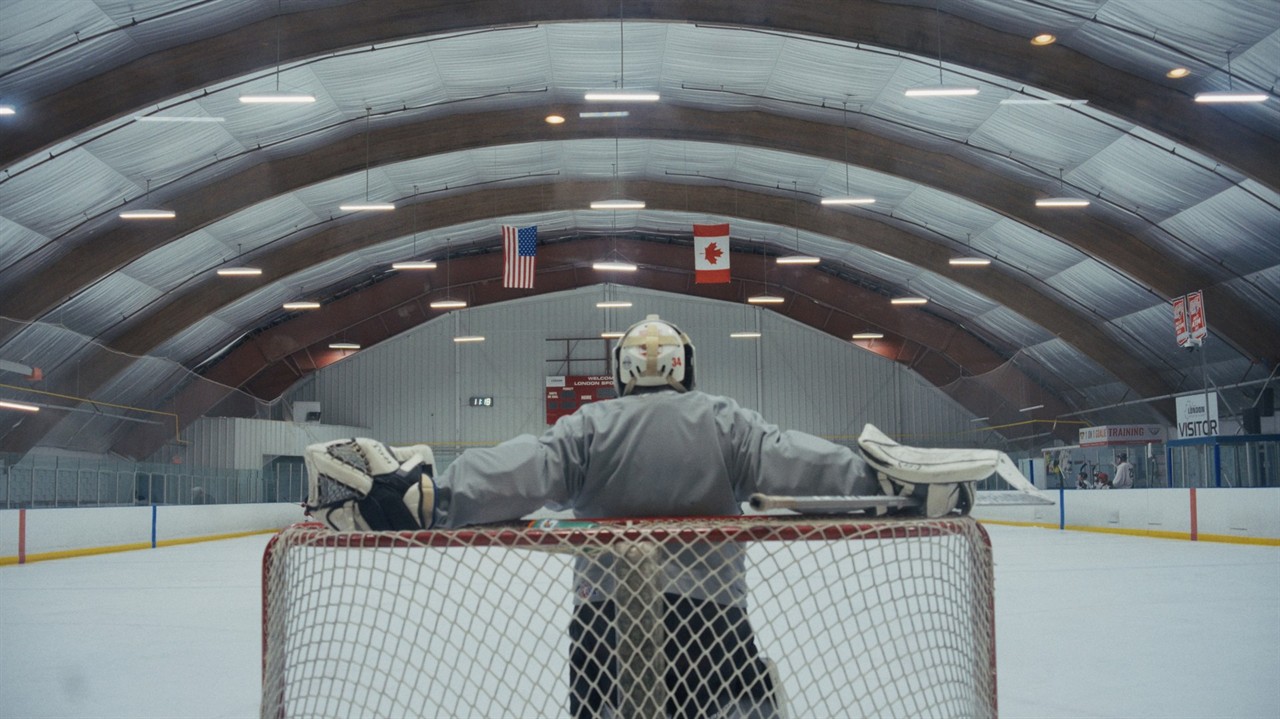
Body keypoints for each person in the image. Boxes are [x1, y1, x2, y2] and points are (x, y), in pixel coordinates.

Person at [304, 314, 985, 718]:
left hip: (604, 624)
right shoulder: (723, 421)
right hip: (710, 621)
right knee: (745, 700)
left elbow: (525, 469)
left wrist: (438, 496)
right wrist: (882, 482)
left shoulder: (589, 425)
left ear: (623, 370)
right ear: (685, 366)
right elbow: (794, 463)